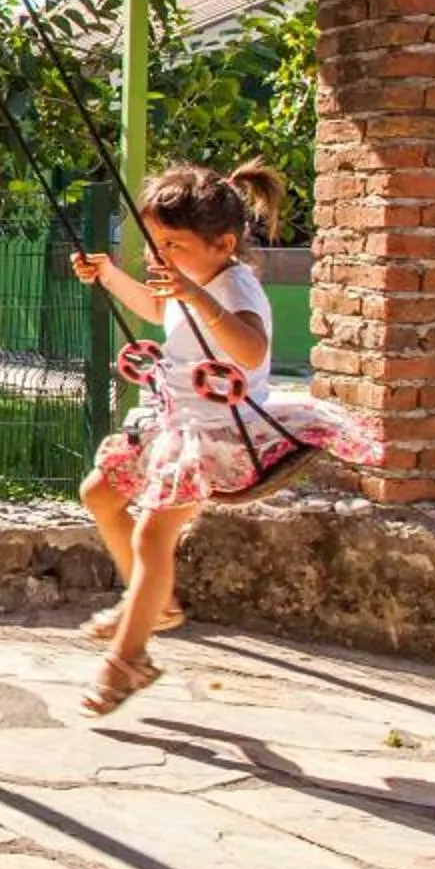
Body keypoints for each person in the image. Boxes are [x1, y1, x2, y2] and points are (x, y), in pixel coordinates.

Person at [67, 161, 375, 715]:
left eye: (174, 244)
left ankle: (127, 660)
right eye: (155, 242)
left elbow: (251, 351)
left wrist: (197, 295)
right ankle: (152, 604)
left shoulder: (237, 285)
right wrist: (109, 274)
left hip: (219, 439)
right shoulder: (187, 280)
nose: (161, 256)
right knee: (99, 493)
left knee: (153, 536)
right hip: (173, 426)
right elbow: (159, 308)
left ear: (223, 242)